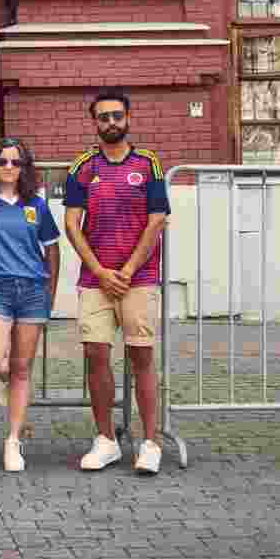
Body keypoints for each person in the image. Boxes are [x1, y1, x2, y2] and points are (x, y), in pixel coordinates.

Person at [64, 90, 170, 474]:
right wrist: (102, 271)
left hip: (137, 278)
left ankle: (150, 442)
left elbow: (157, 220)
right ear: (94, 122)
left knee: (141, 355)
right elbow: (72, 225)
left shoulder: (149, 163)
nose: (111, 122)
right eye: (103, 117)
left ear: (128, 118)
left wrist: (125, 272)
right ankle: (106, 439)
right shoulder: (83, 166)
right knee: (95, 353)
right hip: (96, 279)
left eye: (117, 115)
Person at [0, 137, 61, 472]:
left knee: (22, 367)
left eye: (16, 162)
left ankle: (13, 440)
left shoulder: (36, 205)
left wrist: (50, 295)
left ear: (25, 168)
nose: (9, 167)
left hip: (32, 291)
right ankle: (14, 385)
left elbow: (52, 250)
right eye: (2, 161)